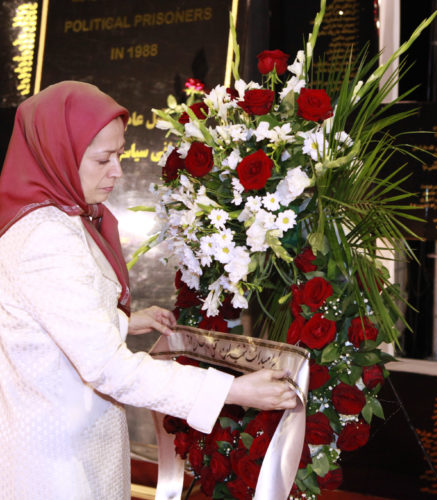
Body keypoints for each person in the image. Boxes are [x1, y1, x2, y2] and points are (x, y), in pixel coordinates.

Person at [0, 81, 297, 499]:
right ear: (58, 155)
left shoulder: (57, 219)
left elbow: (48, 322)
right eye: (103, 158)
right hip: (56, 468)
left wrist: (120, 321)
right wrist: (232, 390)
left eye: (119, 154)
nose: (118, 171)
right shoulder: (48, 238)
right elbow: (108, 368)